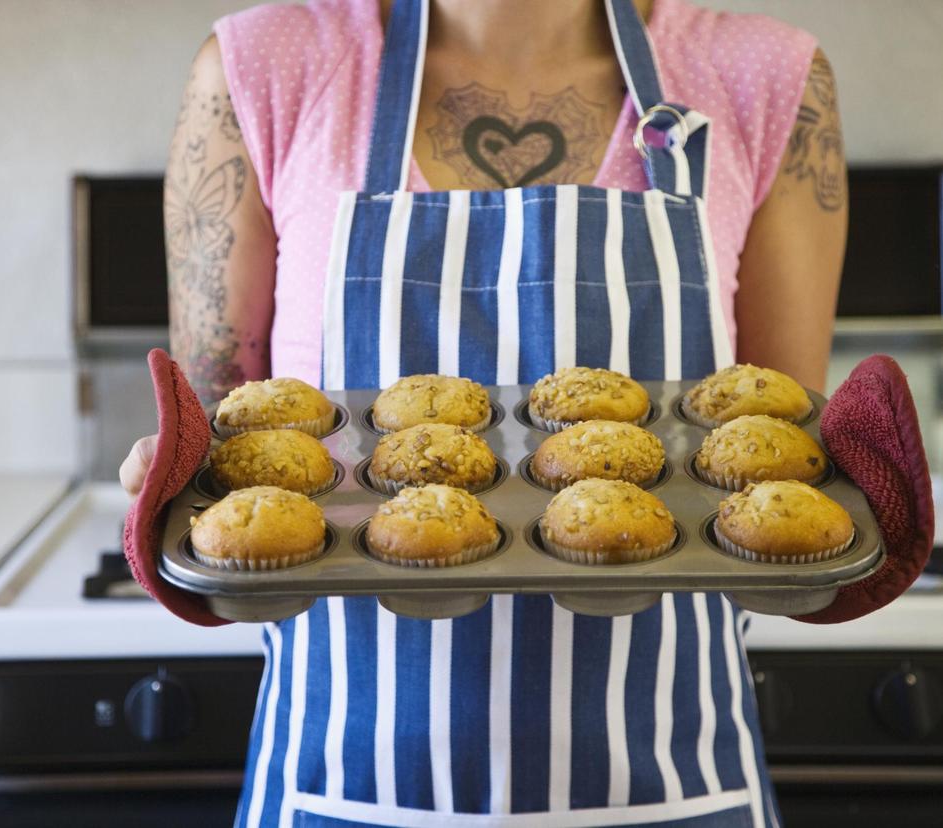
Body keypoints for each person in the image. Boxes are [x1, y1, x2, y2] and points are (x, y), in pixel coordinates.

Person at [121, 0, 846, 825]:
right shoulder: (260, 68)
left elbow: (785, 460)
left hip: (678, 773)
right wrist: (171, 485)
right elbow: (226, 459)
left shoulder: (769, 79)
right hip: (341, 776)